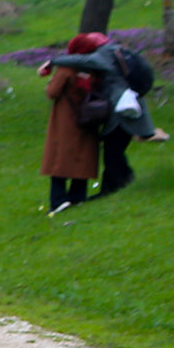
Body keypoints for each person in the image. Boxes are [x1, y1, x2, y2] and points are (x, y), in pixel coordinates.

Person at [42, 34, 171, 197]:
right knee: (114, 149)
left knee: (112, 150)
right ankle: (120, 181)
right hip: (129, 104)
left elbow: (82, 62)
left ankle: (113, 187)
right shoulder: (117, 51)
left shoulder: (104, 55)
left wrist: (54, 61)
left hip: (121, 110)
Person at [39, 32, 102, 215]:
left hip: (65, 120)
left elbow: (52, 92)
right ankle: (78, 196)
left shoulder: (66, 70)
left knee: (60, 158)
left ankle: (58, 200)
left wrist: (49, 81)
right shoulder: (93, 69)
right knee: (82, 158)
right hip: (87, 118)